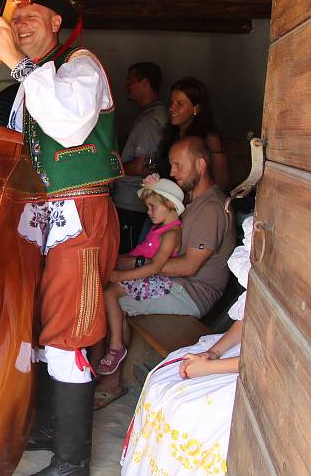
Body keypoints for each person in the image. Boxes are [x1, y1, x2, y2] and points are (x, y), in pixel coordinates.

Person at [0, 0, 123, 476]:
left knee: (67, 335)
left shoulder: (80, 65)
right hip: (39, 220)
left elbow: (67, 126)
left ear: (57, 23)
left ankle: (72, 463)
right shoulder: (29, 84)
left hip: (80, 218)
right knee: (39, 330)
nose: (19, 26)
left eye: (30, 17)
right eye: (13, 19)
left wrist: (16, 65)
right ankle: (48, 427)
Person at [95, 136, 236, 409]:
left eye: (178, 165)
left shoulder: (212, 209)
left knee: (109, 298)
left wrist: (133, 267)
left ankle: (110, 380)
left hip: (191, 292)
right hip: (172, 284)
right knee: (111, 292)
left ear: (201, 165)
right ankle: (110, 368)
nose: (172, 172)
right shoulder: (192, 202)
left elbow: (188, 267)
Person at [120, 216, 253, 475]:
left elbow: (269, 362)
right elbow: (247, 318)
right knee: (163, 380)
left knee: (186, 410)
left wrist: (208, 369)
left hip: (260, 373)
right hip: (241, 351)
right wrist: (212, 352)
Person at [98, 174, 184, 376]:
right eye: (148, 207)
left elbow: (156, 267)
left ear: (170, 204)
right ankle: (115, 342)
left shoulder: (171, 234)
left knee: (110, 293)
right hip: (140, 273)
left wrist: (121, 276)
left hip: (152, 278)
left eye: (153, 206)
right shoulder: (159, 228)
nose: (149, 211)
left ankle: (116, 347)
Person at [114, 62, 169, 252]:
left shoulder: (149, 121)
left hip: (132, 203)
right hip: (135, 202)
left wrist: (110, 168)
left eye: (131, 81)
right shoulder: (151, 115)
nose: (127, 86)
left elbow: (139, 168)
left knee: (127, 253)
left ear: (145, 83)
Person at [157, 77, 230, 191]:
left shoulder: (209, 139)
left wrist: (217, 152)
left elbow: (221, 185)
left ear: (196, 108)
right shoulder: (170, 135)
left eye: (180, 103)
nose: (171, 108)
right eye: (172, 102)